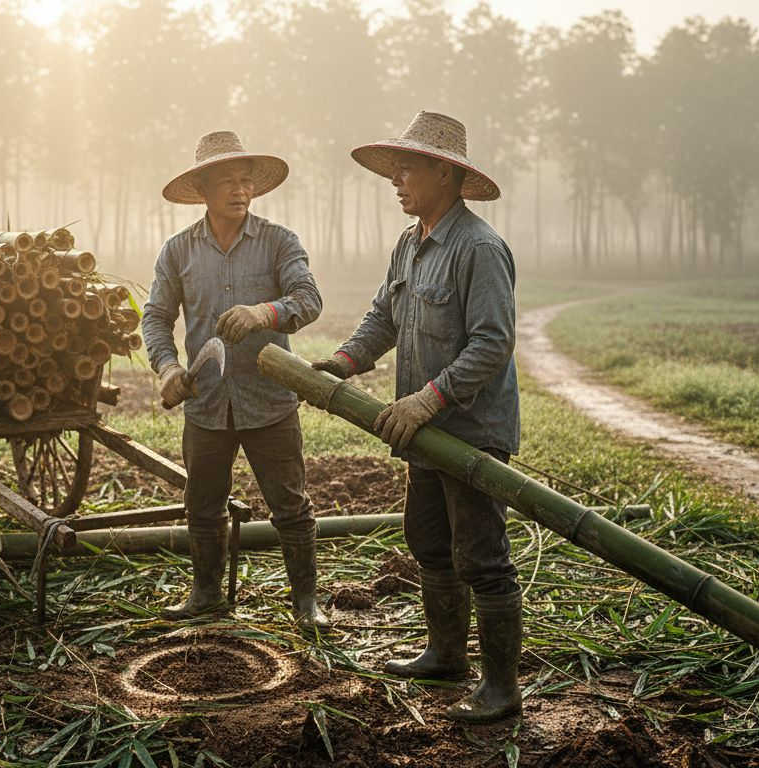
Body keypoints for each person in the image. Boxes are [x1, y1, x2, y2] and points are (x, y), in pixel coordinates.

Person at [313, 111, 521, 721]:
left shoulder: (479, 248)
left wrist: (429, 397)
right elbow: (384, 317)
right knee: (428, 542)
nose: (396, 177)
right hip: (423, 432)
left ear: (445, 172)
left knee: (481, 555)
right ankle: (445, 654)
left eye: (407, 167)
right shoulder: (410, 244)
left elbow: (492, 342)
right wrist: (344, 362)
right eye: (395, 167)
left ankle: (502, 688)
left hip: (468, 431)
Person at [142, 131, 327, 628]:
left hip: (268, 401)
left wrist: (265, 312)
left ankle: (306, 602)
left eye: (246, 181)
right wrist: (167, 368)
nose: (239, 191)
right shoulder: (178, 251)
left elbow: (308, 299)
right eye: (227, 181)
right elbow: (156, 318)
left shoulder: (278, 241)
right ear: (202, 188)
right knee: (202, 506)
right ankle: (206, 595)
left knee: (290, 504)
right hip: (205, 402)